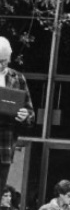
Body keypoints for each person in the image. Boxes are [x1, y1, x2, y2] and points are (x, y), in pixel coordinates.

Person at [0, 37, 34, 191]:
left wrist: (25, 116)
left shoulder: (17, 78)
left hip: (4, 147)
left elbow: (30, 114)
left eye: (4, 61)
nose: (1, 65)